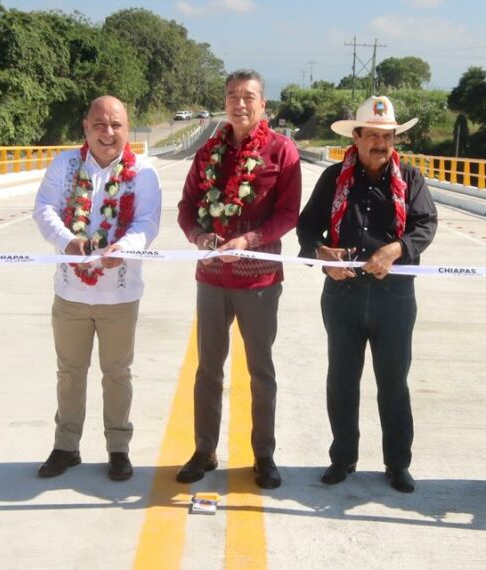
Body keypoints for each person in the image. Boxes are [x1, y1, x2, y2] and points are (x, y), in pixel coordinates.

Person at [296, 95, 437, 492]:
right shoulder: (333, 179)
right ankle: (343, 458)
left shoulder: (410, 179)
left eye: (387, 136)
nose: (380, 143)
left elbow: (425, 224)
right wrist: (323, 254)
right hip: (343, 295)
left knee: (394, 382)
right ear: (355, 137)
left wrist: (396, 249)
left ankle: (397, 463)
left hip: (394, 296)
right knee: (342, 379)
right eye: (372, 135)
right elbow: (307, 229)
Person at [175, 69, 301, 489]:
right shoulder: (208, 152)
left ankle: (263, 454)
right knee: (207, 369)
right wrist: (198, 235)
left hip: (259, 282)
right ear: (224, 102)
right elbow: (187, 207)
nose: (240, 103)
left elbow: (287, 215)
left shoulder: (282, 152)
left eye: (249, 96)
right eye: (232, 96)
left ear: (263, 104)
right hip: (211, 280)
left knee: (260, 372)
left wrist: (249, 238)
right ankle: (204, 449)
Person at [32, 96, 162, 481]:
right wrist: (68, 242)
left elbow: (147, 222)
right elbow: (44, 208)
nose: (109, 133)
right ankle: (66, 446)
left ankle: (118, 448)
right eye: (100, 125)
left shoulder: (143, 172)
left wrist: (125, 248)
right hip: (71, 292)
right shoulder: (66, 165)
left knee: (117, 373)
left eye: (117, 125)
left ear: (128, 128)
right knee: (70, 372)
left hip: (120, 295)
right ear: (86, 128)